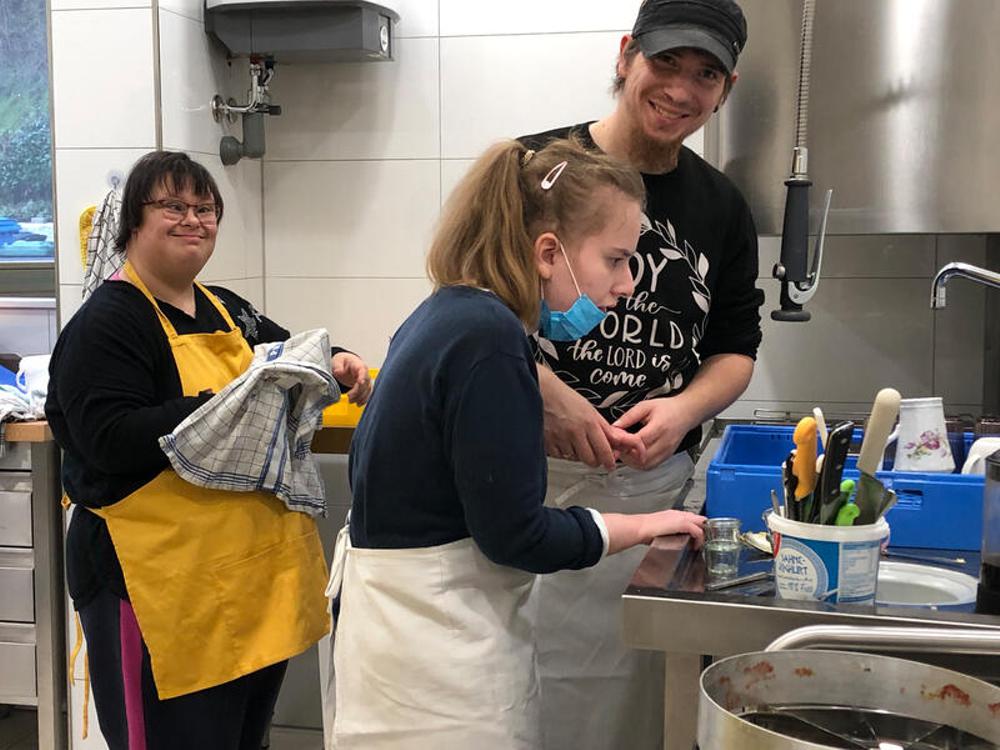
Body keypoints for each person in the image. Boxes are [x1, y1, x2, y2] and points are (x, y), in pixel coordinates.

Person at [327, 138, 707, 749]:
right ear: (549, 252)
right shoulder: (490, 338)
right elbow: (517, 536)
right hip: (435, 666)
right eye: (615, 259)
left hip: (398, 645)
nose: (629, 284)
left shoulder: (443, 314)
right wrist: (642, 525)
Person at [45, 151, 371, 750]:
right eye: (172, 206)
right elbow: (108, 440)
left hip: (241, 584)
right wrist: (228, 400)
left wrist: (336, 358)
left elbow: (285, 359)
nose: (193, 220)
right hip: (152, 589)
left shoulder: (226, 308)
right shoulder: (109, 323)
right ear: (133, 224)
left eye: (206, 209)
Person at [518, 0, 765, 747]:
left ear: (727, 88)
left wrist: (685, 410)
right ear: (626, 55)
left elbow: (735, 346)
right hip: (528, 481)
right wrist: (550, 396)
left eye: (707, 74)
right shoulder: (530, 167)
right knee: (516, 690)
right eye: (666, 63)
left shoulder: (721, 205)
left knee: (622, 707)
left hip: (647, 492)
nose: (683, 90)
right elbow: (466, 305)